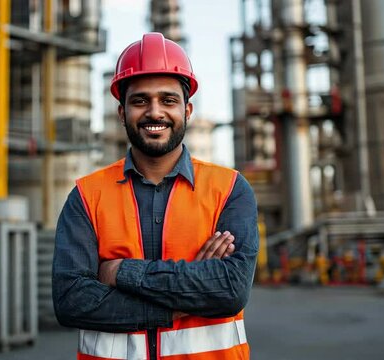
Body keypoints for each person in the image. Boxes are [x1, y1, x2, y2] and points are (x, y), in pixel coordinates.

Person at [52, 32, 259, 360]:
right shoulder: (87, 196)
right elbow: (71, 302)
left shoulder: (229, 189)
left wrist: (120, 272)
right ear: (121, 113)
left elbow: (230, 290)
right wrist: (180, 301)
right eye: (140, 101)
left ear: (187, 110)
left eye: (168, 100)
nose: (154, 112)